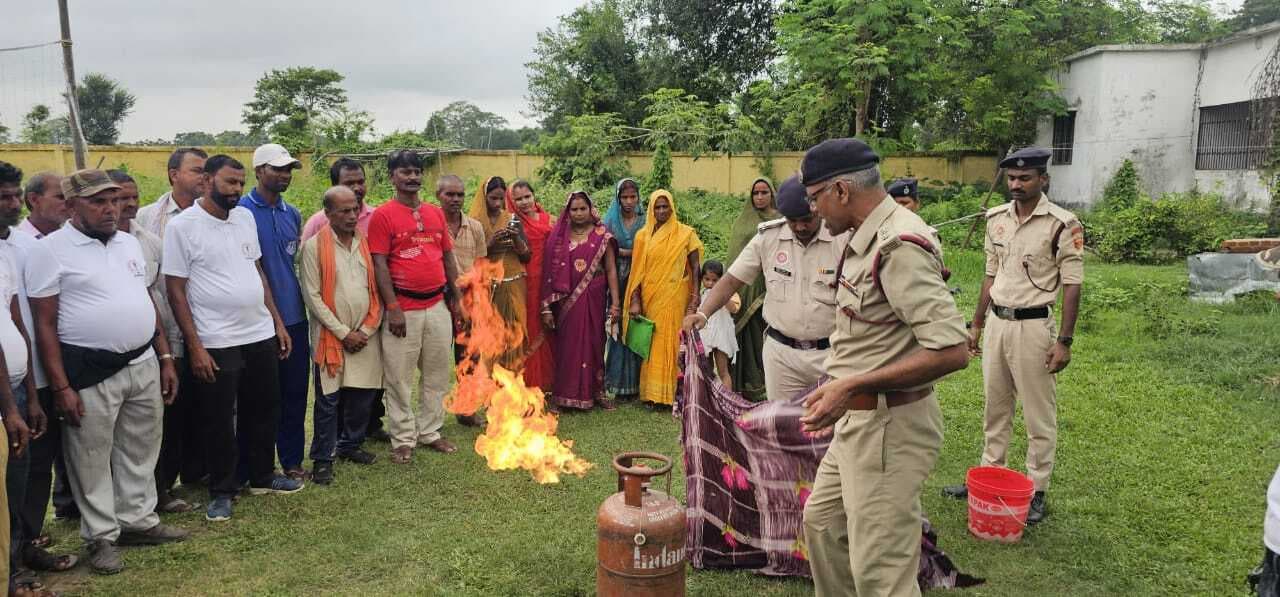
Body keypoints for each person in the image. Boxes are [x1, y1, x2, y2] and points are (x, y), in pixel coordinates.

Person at [797, 138, 969, 597]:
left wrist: (853, 383)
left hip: (888, 427)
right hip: (859, 419)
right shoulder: (864, 238)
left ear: (841, 190)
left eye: (815, 198)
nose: (814, 210)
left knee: (880, 570)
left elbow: (953, 349)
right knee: (824, 525)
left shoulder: (898, 245)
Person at [29, 169, 189, 575]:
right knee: (91, 454)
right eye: (99, 201)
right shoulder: (51, 250)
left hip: (142, 361)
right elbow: (44, 324)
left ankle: (138, 521)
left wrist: (165, 357)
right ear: (71, 206)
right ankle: (101, 535)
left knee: (140, 446)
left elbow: (146, 299)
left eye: (115, 200)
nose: (111, 209)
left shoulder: (129, 244)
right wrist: (61, 385)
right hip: (88, 370)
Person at [942, 147, 1083, 526]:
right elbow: (991, 274)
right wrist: (976, 323)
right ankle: (989, 475)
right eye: (1012, 179)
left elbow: (1072, 284)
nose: (1017, 185)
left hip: (1035, 326)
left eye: (1026, 178)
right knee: (995, 406)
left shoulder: (1061, 223)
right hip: (998, 323)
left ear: (1043, 180)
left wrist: (1064, 341)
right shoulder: (996, 220)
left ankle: (1036, 490)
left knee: (1039, 414)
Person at [163, 155, 303, 523]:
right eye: (229, 183)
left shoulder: (244, 217)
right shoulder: (183, 227)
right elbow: (175, 290)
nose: (237, 190)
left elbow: (256, 270)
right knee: (220, 417)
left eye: (240, 184)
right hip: (216, 337)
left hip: (257, 330)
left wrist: (277, 323)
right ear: (207, 180)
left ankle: (261, 475)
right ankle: (222, 490)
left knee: (263, 406)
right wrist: (195, 346)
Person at [685, 175, 845, 402]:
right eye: (792, 220)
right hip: (782, 356)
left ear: (818, 208)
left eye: (806, 219)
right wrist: (703, 313)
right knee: (784, 429)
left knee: (834, 430)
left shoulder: (842, 238)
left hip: (831, 356)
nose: (799, 226)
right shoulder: (769, 237)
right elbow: (731, 279)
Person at [107, 170, 197, 515]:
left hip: (158, 346)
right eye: (118, 198)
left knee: (158, 425)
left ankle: (159, 490)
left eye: (132, 197)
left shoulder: (145, 242)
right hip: (105, 357)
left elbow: (161, 296)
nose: (127, 205)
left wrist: (168, 353)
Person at [367, 150, 462, 464]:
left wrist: (456, 300)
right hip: (402, 308)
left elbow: (448, 257)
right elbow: (379, 264)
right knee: (399, 377)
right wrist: (392, 306)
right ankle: (403, 438)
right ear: (393, 176)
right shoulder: (383, 215)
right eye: (405, 172)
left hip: (437, 304)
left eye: (417, 172)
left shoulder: (434, 213)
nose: (412, 178)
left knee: (436, 374)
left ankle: (430, 432)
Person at [134, 148, 208, 514]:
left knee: (202, 407)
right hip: (166, 334)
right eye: (196, 170)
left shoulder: (217, 215)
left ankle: (196, 470)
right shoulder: (148, 219)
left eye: (206, 171)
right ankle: (161, 485)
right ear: (172, 174)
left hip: (208, 329)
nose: (203, 177)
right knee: (168, 412)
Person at [300, 186, 383, 485]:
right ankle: (323, 459)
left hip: (364, 335)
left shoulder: (365, 243)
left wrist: (365, 330)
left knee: (362, 395)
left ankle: (350, 446)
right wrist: (343, 332)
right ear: (328, 214)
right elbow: (312, 296)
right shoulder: (313, 247)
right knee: (328, 401)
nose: (352, 216)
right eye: (344, 211)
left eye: (354, 209)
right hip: (331, 337)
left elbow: (376, 291)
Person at [243, 143, 310, 482]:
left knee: (295, 392)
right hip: (255, 323)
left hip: (295, 318)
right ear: (258, 172)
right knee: (260, 398)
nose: (284, 175)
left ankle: (292, 460)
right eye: (277, 169)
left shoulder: (292, 213)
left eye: (288, 170)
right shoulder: (240, 212)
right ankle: (257, 464)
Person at [0, 161, 49, 595]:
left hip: (21, 382)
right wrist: (11, 406)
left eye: (16, 195)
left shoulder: (17, 248)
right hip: (5, 395)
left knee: (28, 476)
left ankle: (24, 550)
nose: (13, 205)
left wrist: (30, 394)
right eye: (5, 197)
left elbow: (17, 327)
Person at [538, 191, 620, 411]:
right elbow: (548, 272)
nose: (579, 213)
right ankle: (562, 395)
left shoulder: (602, 235)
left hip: (594, 297)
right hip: (566, 304)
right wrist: (546, 306)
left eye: (583, 208)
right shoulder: (558, 238)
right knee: (567, 347)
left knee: (595, 344)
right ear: (568, 211)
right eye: (574, 209)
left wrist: (615, 303)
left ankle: (597, 391)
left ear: (590, 209)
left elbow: (611, 270)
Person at [623, 189, 702, 408]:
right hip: (652, 296)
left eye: (665, 206)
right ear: (650, 209)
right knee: (654, 343)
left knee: (676, 342)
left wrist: (695, 299)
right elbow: (637, 271)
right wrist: (635, 299)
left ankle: (676, 394)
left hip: (677, 295)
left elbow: (696, 267)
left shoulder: (685, 233)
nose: (661, 211)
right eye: (657, 207)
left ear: (672, 207)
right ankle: (652, 394)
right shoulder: (642, 236)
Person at [437, 174, 486, 427]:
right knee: (435, 357)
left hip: (469, 297)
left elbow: (480, 265)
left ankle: (466, 410)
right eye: (449, 194)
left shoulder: (475, 227)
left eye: (459, 195)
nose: (455, 199)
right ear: (438, 196)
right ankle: (432, 417)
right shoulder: (431, 225)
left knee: (469, 356)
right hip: (437, 297)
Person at [468, 176, 531, 371]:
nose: (497, 204)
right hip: (488, 286)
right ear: (483, 197)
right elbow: (470, 259)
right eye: (492, 199)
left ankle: (512, 385)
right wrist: (490, 244)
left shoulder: (511, 219)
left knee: (515, 333)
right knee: (492, 336)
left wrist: (516, 240)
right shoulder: (474, 222)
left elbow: (527, 256)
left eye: (500, 199)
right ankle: (491, 386)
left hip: (513, 283)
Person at [726, 178, 778, 401]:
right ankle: (748, 384)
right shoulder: (744, 221)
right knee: (747, 337)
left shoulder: (781, 220)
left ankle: (769, 383)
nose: (759, 197)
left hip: (774, 287)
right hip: (746, 289)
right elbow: (734, 256)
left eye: (764, 192)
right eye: (755, 193)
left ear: (771, 194)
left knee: (768, 336)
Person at [508, 180, 555, 392]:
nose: (524, 202)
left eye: (527, 196)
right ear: (512, 201)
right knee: (532, 328)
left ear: (534, 196)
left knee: (552, 327)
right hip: (528, 282)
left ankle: (552, 380)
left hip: (552, 279)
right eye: (518, 199)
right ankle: (532, 382)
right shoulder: (513, 222)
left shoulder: (548, 218)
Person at [603, 179, 645, 400]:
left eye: (633, 197)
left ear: (638, 197)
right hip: (615, 278)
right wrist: (630, 253)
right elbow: (604, 248)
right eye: (624, 197)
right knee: (617, 326)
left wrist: (625, 253)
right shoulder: (610, 221)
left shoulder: (646, 221)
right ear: (618, 198)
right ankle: (617, 384)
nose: (629, 201)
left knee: (637, 326)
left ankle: (638, 384)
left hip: (640, 278)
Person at [302, 158, 373, 241]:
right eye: (349, 183)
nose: (357, 188)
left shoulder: (376, 217)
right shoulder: (317, 222)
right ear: (335, 186)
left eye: (361, 182)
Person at [695, 260, 738, 389]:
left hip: (721, 335)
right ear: (702, 278)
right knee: (706, 369)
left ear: (722, 279)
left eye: (715, 280)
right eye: (707, 279)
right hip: (705, 334)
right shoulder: (700, 294)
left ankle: (727, 401)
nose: (710, 283)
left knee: (723, 371)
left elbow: (734, 309)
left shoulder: (728, 292)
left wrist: (723, 296)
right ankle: (710, 400)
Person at [17, 173, 65, 239]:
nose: (69, 203)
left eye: (71, 197)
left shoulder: (74, 237)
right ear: (34, 199)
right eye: (61, 197)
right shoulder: (13, 242)